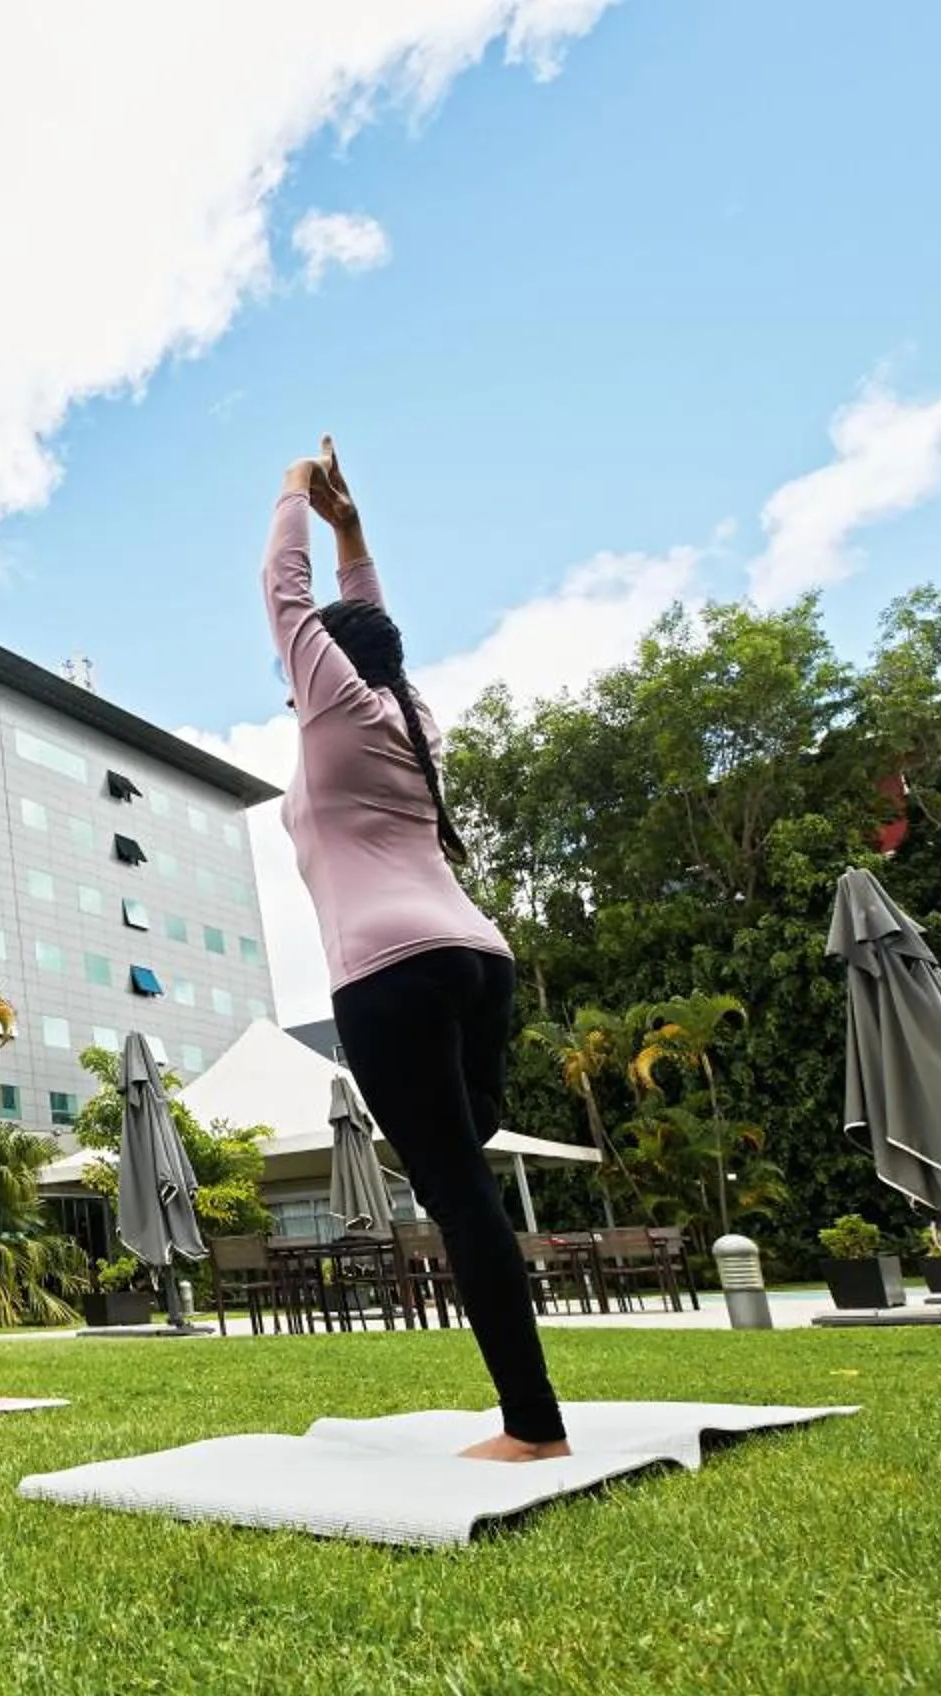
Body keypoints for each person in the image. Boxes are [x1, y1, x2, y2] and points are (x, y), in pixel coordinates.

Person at [264, 432, 568, 1462]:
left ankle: (533, 1425)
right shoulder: (412, 719)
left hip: (390, 971)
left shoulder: (338, 714)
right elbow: (368, 622)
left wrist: (294, 492)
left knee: (456, 1192)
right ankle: (526, 1397)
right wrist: (352, 530)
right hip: (480, 960)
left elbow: (286, 595)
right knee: (463, 1155)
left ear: (324, 668)